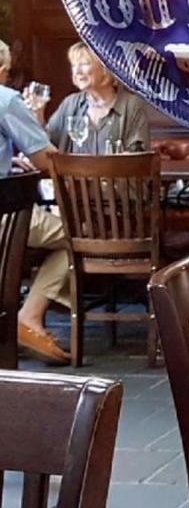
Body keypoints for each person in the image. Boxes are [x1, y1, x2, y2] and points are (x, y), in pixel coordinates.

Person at [17, 42, 151, 358]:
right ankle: (32, 314)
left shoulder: (131, 107)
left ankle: (34, 312)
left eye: (84, 64)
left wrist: (93, 177)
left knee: (72, 236)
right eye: (74, 65)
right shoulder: (71, 105)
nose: (77, 71)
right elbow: (45, 148)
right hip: (76, 211)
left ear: (105, 69)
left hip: (119, 212)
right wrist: (36, 115)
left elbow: (137, 164)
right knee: (73, 237)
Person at [0, 39, 70, 364]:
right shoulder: (5, 98)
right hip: (4, 219)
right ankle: (28, 316)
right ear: (3, 70)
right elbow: (47, 160)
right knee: (79, 239)